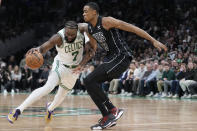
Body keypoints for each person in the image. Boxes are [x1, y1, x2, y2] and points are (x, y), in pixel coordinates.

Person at [82, 2, 168, 130]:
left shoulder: (107, 21)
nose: (83, 14)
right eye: (83, 11)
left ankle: (113, 110)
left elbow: (132, 28)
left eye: (86, 11)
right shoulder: (89, 29)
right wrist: (81, 63)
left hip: (121, 56)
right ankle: (107, 116)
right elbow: (93, 50)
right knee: (89, 82)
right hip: (111, 58)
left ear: (94, 12)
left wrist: (153, 40)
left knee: (89, 80)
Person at [7, 21, 95, 124]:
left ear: (77, 31)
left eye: (72, 34)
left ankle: (50, 108)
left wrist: (82, 63)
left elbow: (90, 51)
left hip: (75, 70)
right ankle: (18, 110)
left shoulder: (83, 29)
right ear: (64, 31)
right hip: (60, 66)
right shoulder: (58, 37)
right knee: (48, 87)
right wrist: (39, 49)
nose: (70, 36)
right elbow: (45, 47)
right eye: (68, 34)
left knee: (61, 96)